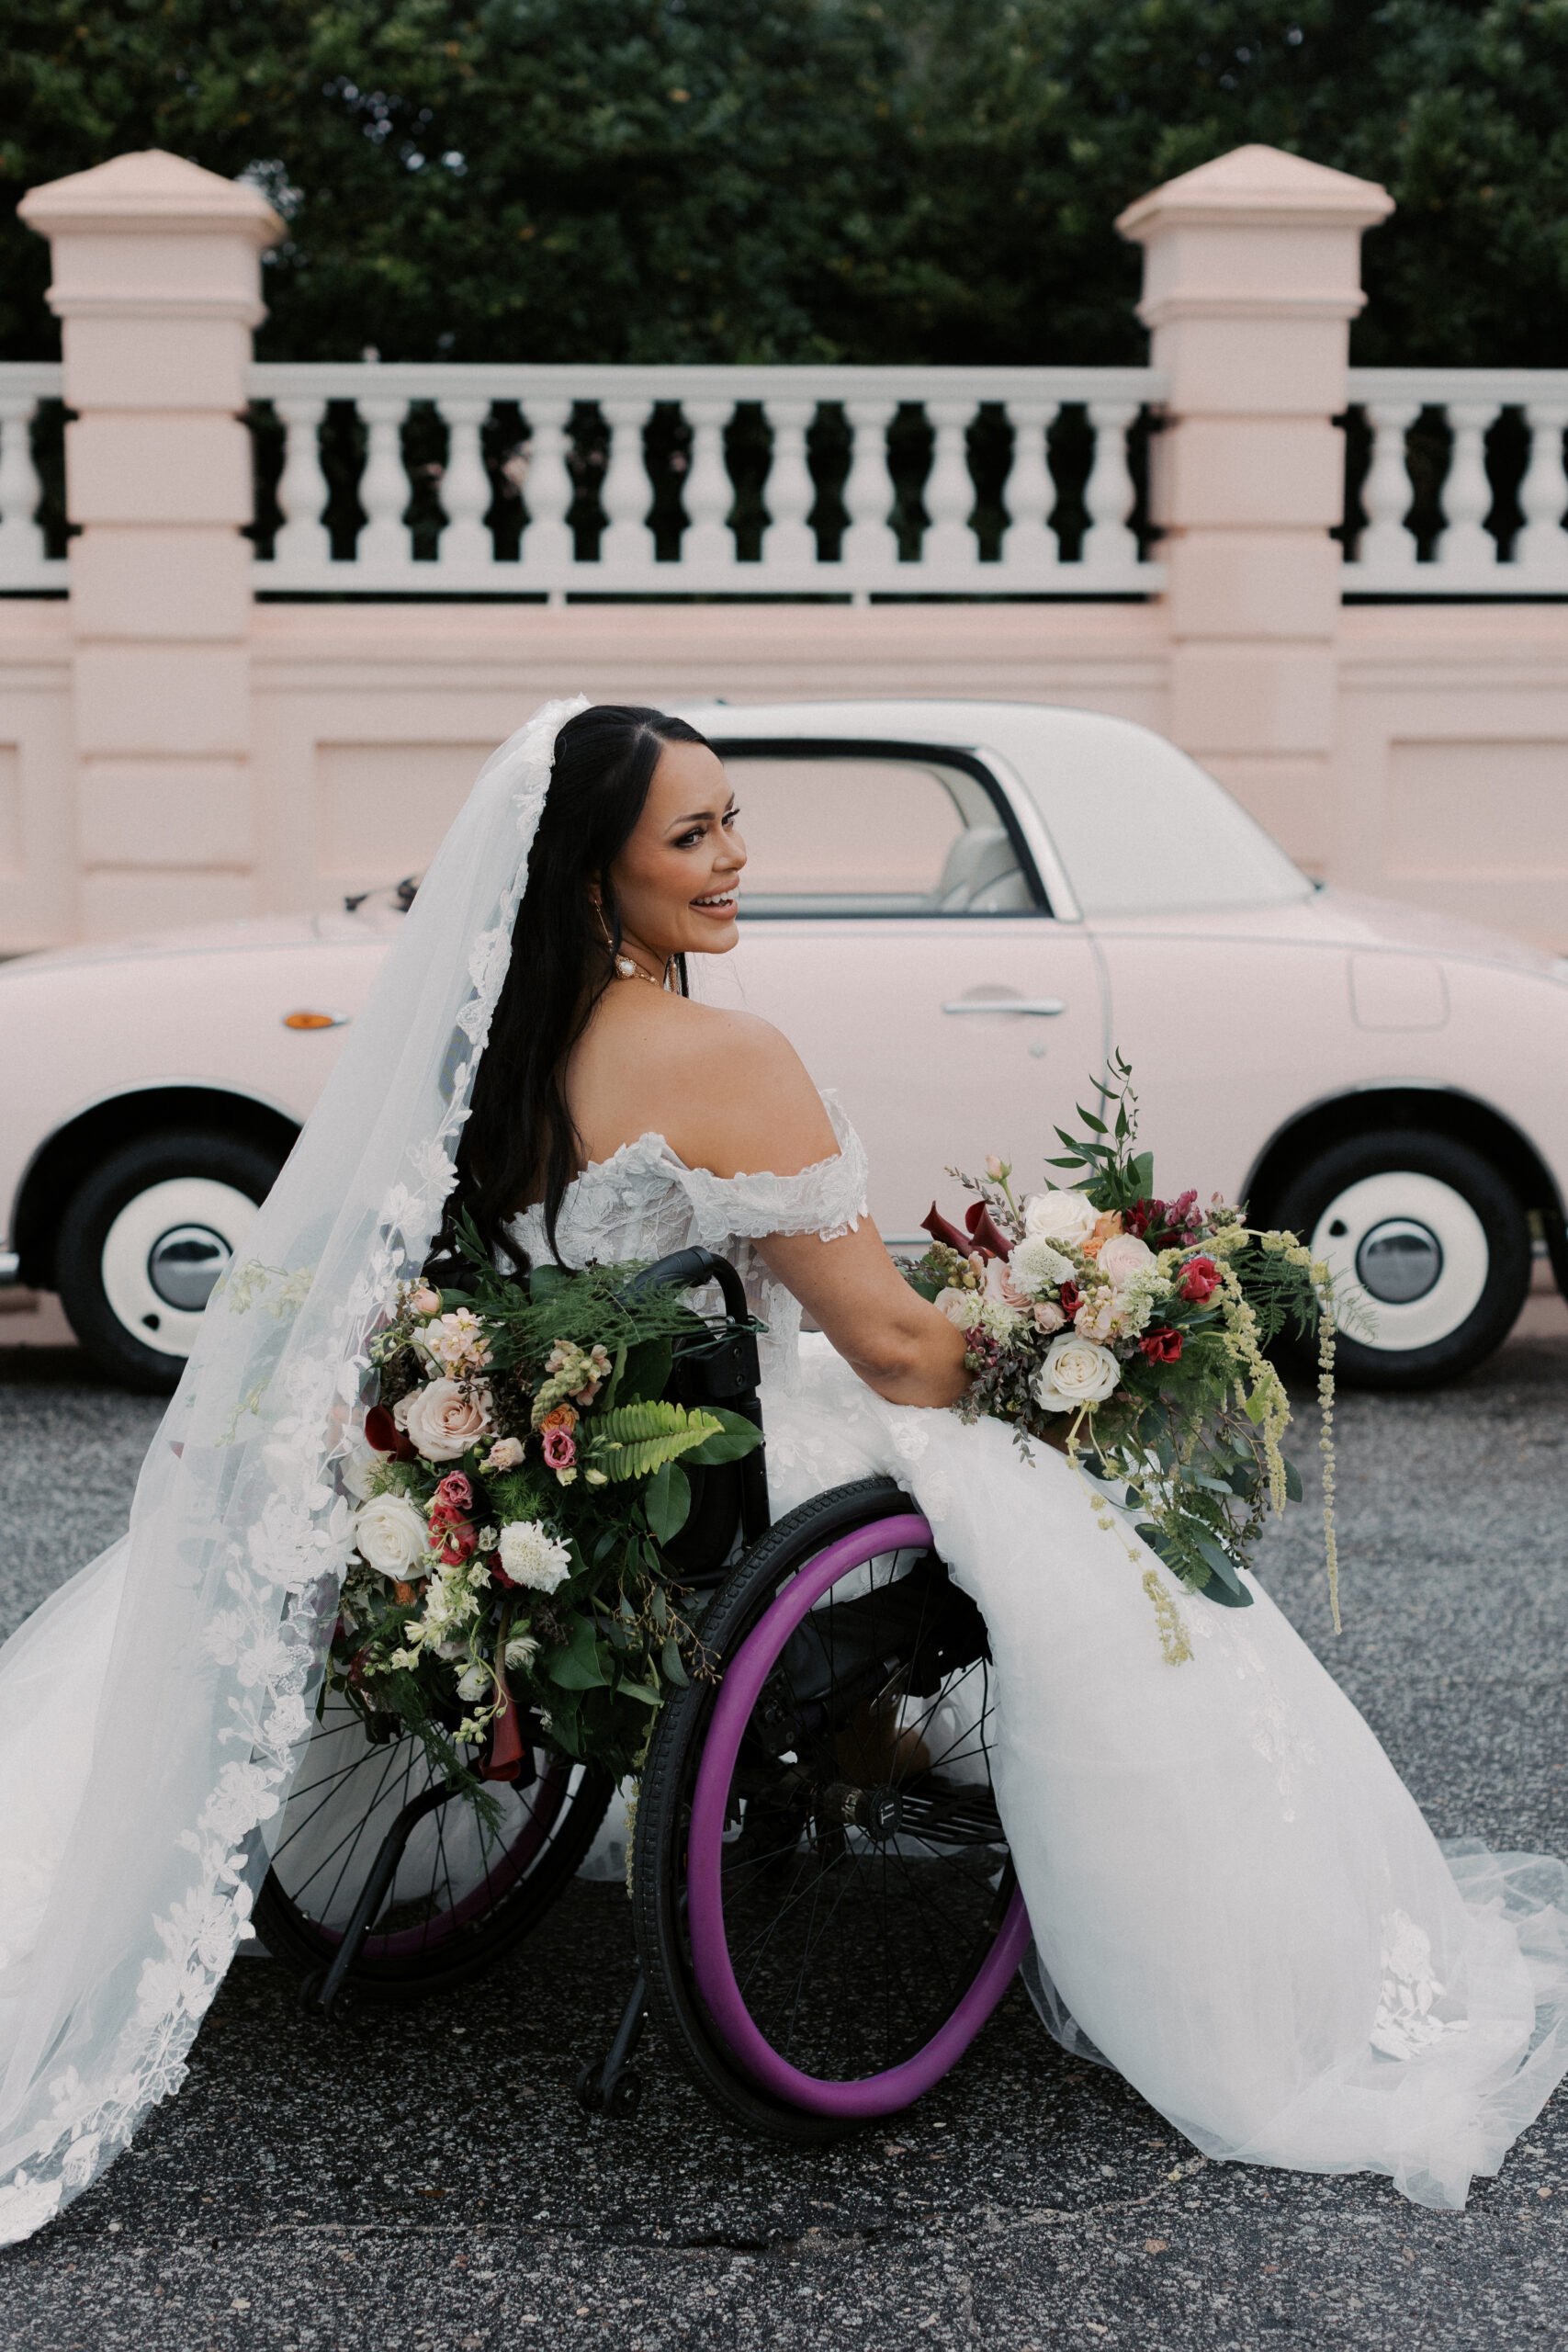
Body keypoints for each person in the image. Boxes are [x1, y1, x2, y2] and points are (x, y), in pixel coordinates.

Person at [2, 699, 1565, 2244]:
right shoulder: (719, 1053)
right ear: (588, 877)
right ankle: (1179, 1908)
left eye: (734, 817)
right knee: (1089, 1524)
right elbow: (888, 1348)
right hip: (733, 1496)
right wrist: (1069, 1346)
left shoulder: (475, 1055)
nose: (738, 858)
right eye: (692, 836)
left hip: (586, 1469)